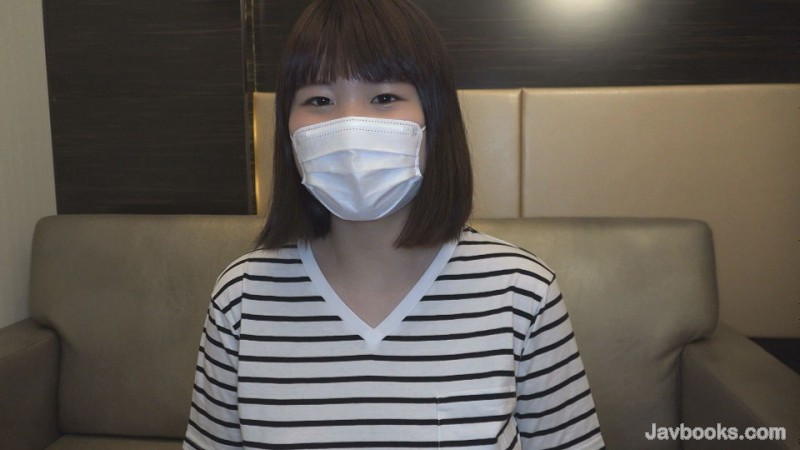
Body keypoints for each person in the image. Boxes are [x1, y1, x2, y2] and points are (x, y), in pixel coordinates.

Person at [184, 0, 604, 449]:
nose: (350, 127)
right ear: (288, 131)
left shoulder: (522, 292)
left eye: (384, 98)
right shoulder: (241, 299)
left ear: (435, 118)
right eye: (319, 100)